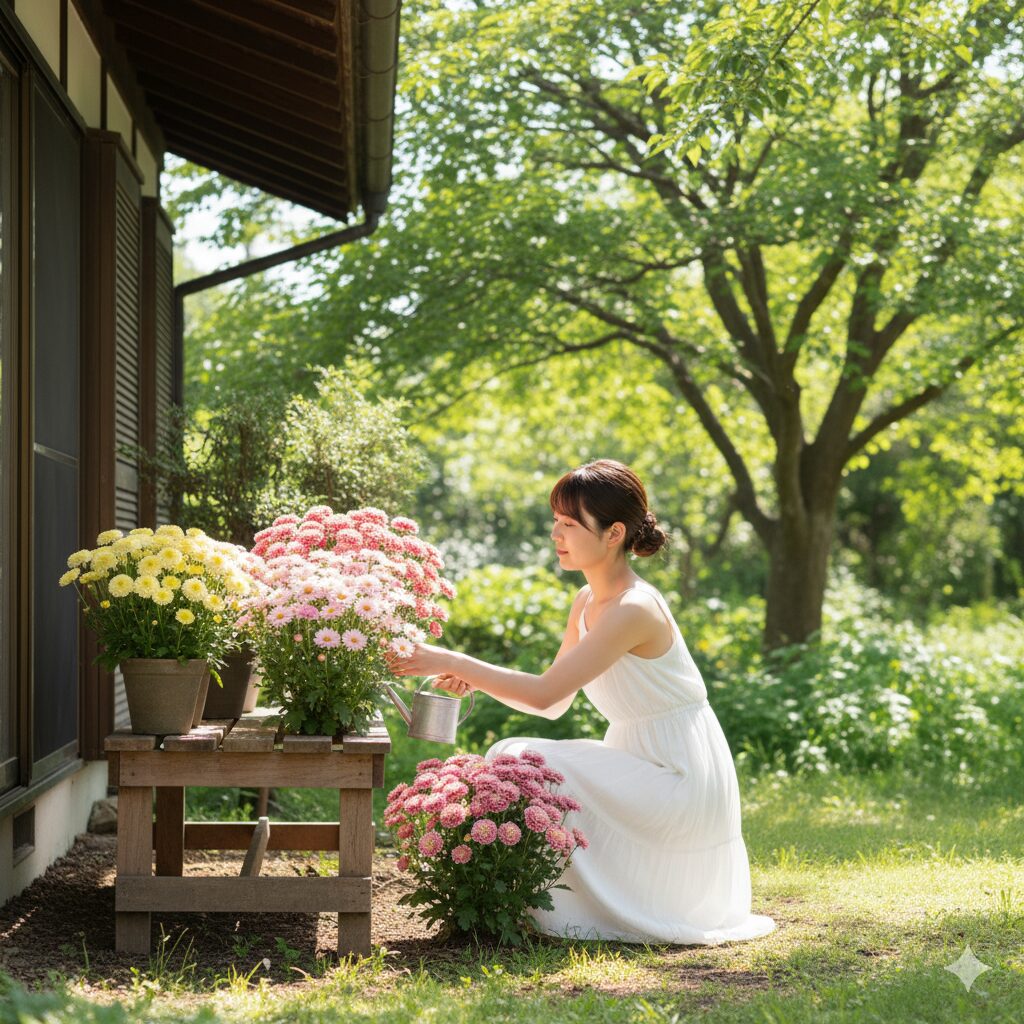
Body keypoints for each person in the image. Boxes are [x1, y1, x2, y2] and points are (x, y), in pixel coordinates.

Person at [387, 459, 776, 944]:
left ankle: (543, 910)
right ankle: (521, 903)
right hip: (638, 759)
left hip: (681, 775)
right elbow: (553, 703)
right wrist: (474, 676)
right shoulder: (586, 604)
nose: (556, 533)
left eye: (570, 524)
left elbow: (545, 693)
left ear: (614, 533)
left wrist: (455, 661)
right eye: (556, 520)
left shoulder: (635, 608)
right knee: (511, 756)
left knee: (518, 759)